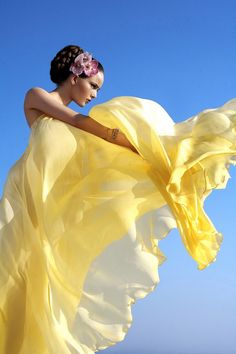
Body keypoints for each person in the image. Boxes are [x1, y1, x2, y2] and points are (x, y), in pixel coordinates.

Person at [1, 44, 236, 354]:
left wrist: (142, 149)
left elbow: (86, 143)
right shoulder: (37, 98)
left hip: (55, 207)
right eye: (93, 85)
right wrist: (118, 138)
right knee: (16, 282)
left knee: (40, 289)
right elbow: (78, 122)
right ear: (75, 76)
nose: (94, 94)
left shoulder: (75, 127)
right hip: (26, 202)